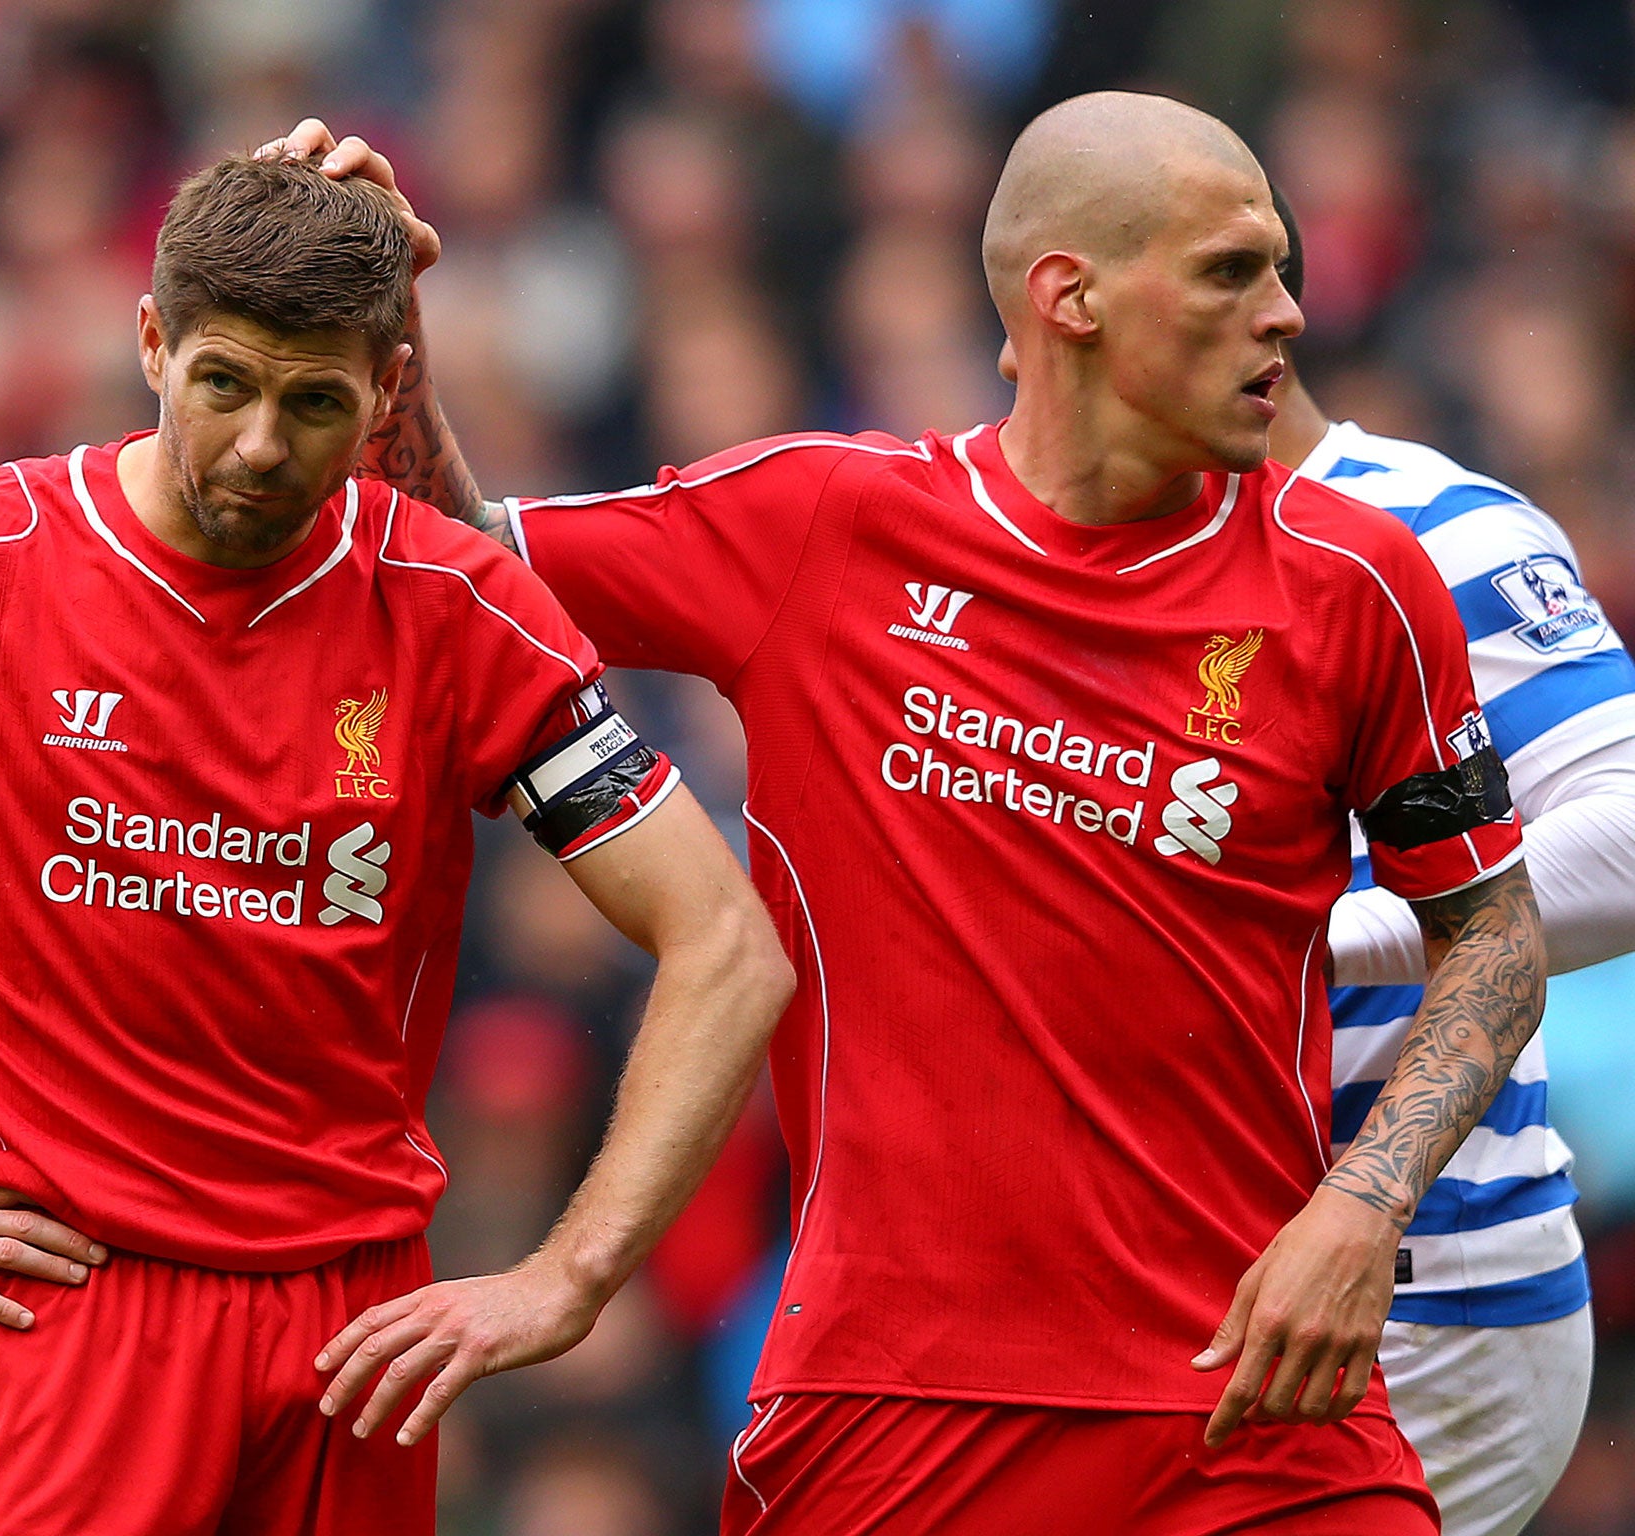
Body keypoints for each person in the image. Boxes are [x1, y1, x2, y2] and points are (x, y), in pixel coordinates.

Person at [278, 94, 1547, 1535]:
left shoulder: (1359, 585)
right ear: (1069, 297)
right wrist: (376, 328)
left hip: (1249, 1409)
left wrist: (1363, 1206)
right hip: (893, 1415)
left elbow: (1491, 931)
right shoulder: (825, 522)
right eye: (1233, 271)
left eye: (1282, 270)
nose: (1287, 316)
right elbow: (452, 567)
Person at [0, 154, 795, 1536]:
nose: (265, 444)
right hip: (68, 1314)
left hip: (353, 1342)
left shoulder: (457, 610)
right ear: (152, 342)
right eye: (225, 382)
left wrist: (571, 1275)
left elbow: (727, 947)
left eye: (316, 401)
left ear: (385, 393)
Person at [1262, 194, 1635, 1536]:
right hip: (1171, 1265)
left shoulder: (1435, 527)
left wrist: (1315, 935)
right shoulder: (1055, 547)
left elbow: (1634, 844)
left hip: (1433, 1285)